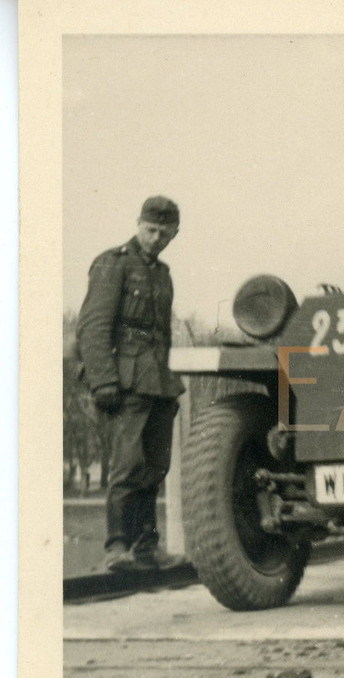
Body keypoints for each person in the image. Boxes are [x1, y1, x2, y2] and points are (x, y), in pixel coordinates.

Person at [76, 196, 186, 572]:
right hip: (125, 383)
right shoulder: (113, 263)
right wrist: (102, 380)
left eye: (164, 233)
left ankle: (145, 547)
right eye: (150, 230)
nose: (156, 238)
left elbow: (163, 335)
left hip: (159, 383)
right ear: (139, 224)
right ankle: (117, 548)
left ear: (174, 234)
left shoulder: (163, 273)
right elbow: (93, 326)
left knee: (155, 468)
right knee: (126, 466)